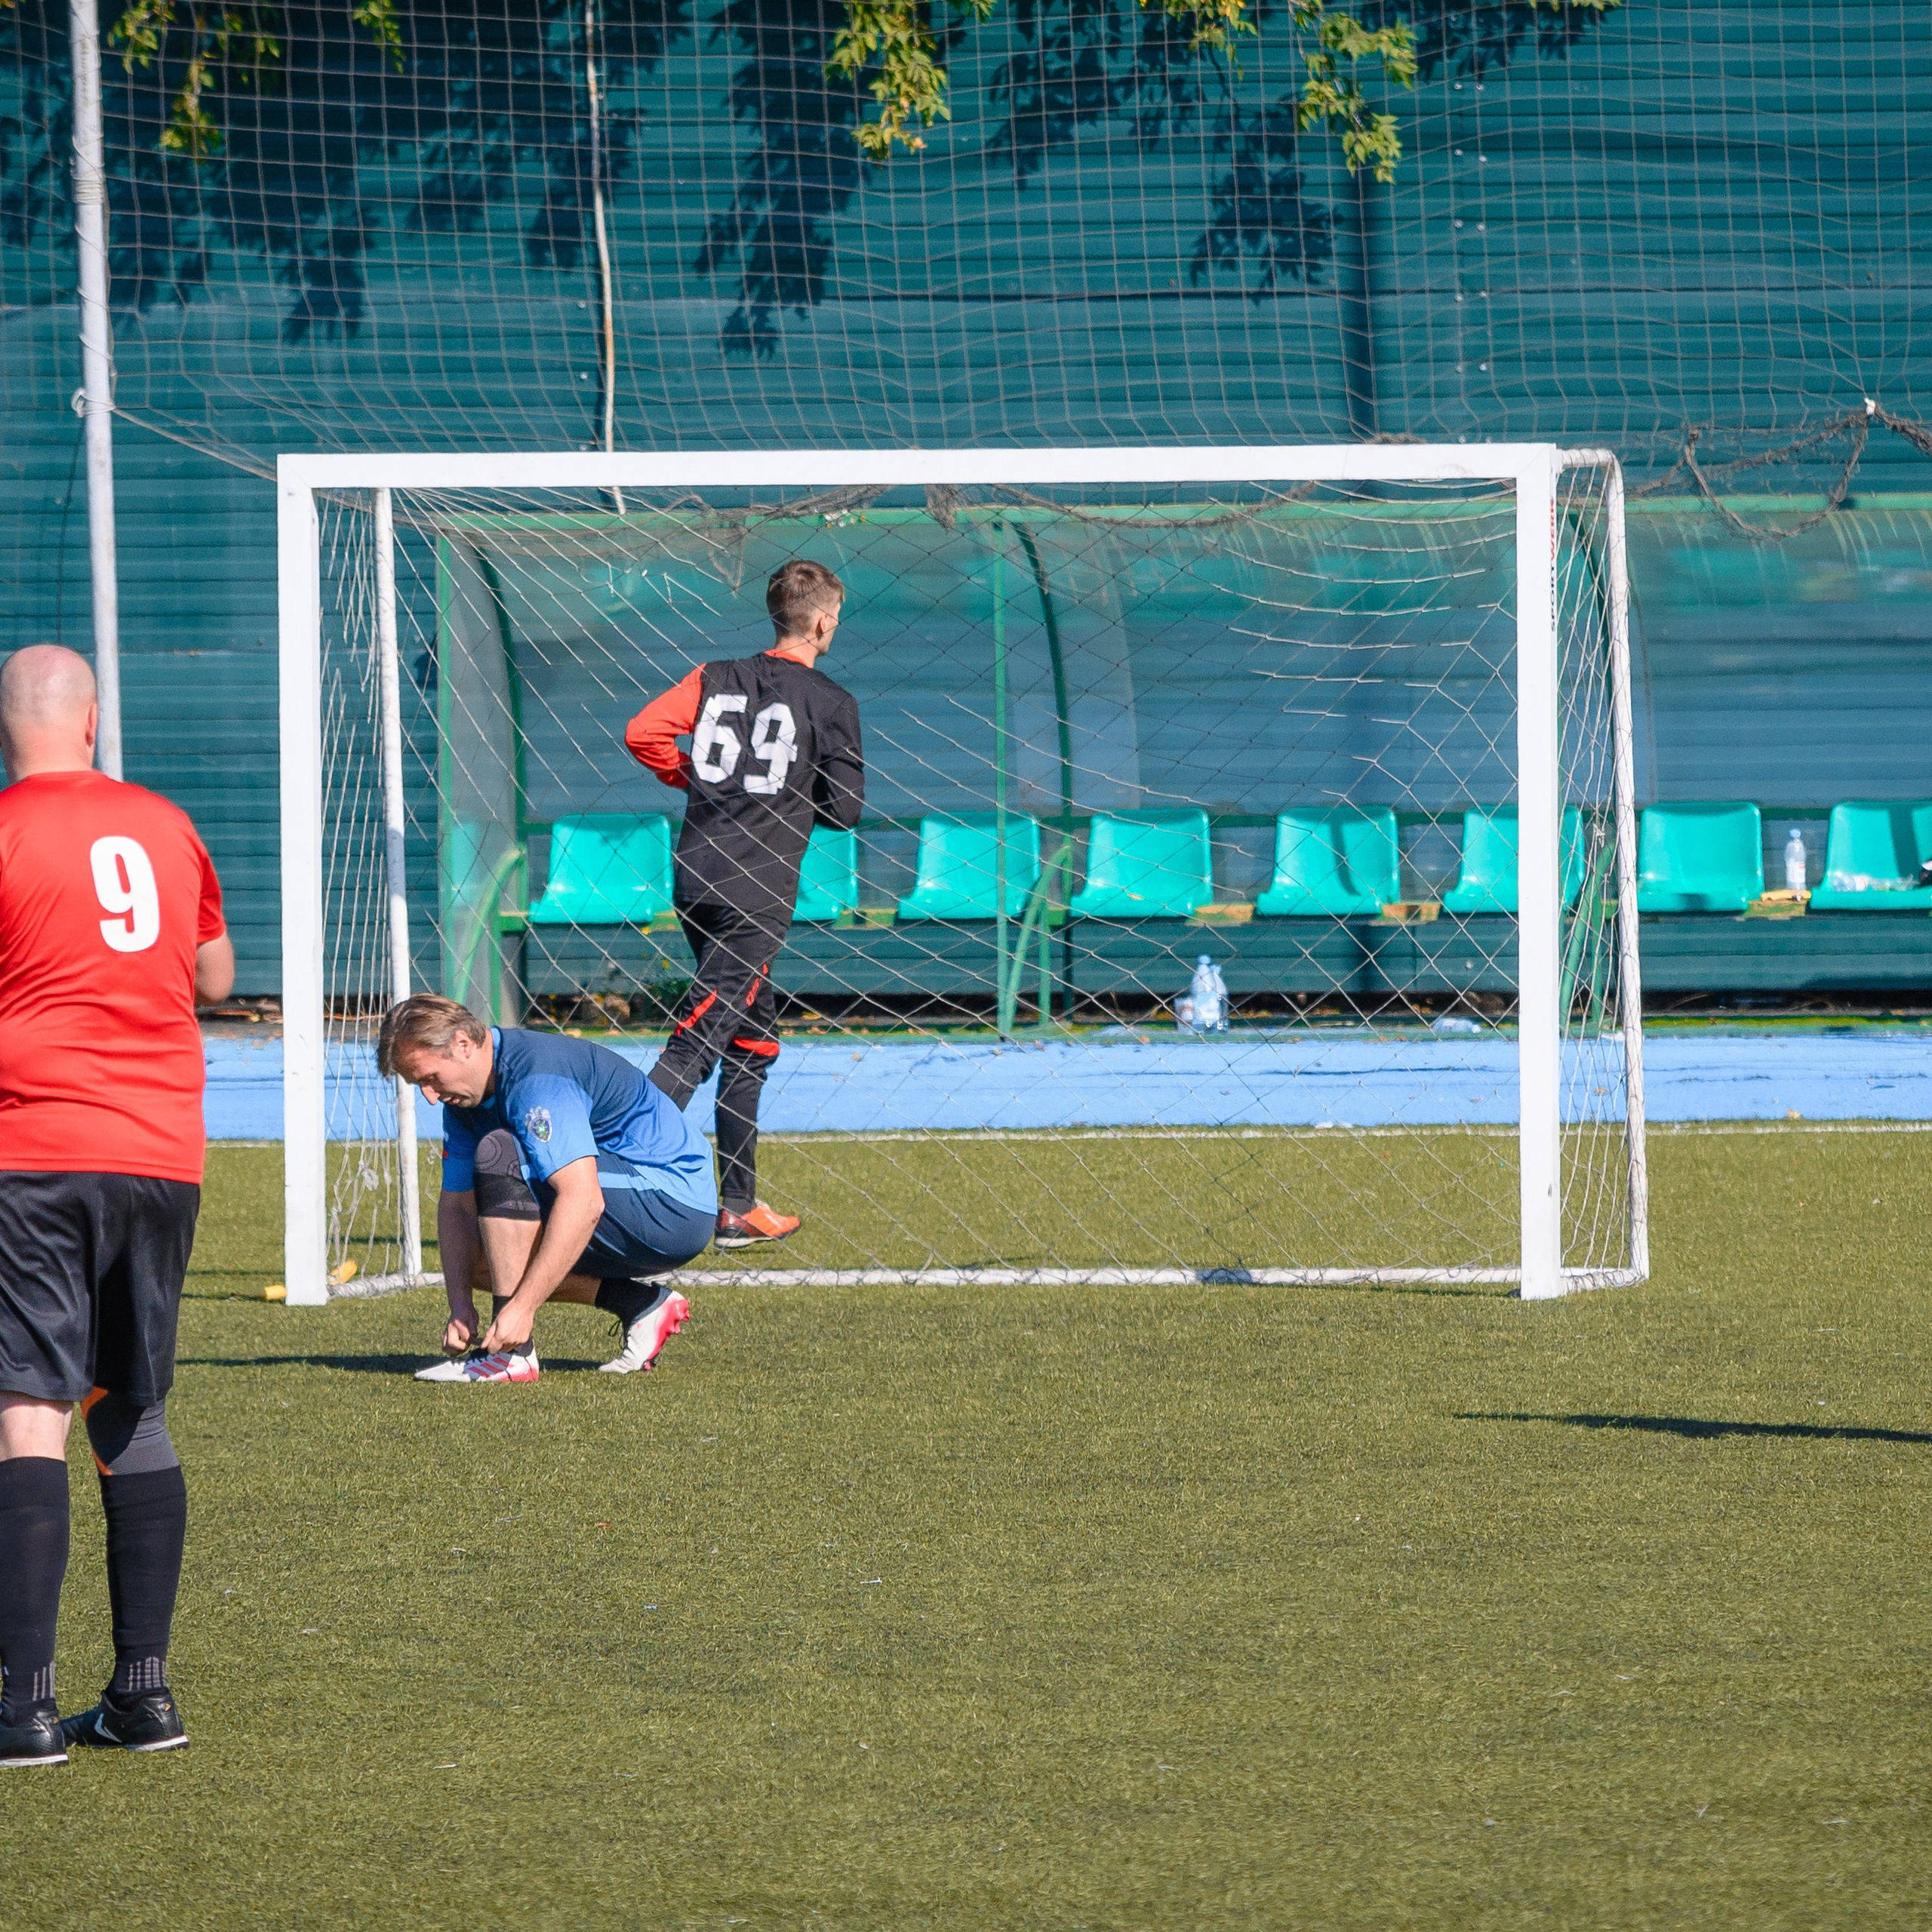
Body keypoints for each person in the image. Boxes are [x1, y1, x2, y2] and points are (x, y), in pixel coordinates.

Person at [0, 645, 232, 1770]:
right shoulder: (167, 823)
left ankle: (23, 1710)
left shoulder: (5, 829)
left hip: (33, 1148)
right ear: (91, 720)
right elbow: (216, 976)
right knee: (128, 1408)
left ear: (11, 728)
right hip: (161, 1154)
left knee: (26, 1409)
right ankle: (143, 1695)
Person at [625, 558, 863, 1246]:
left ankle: (737, 1205)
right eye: (836, 615)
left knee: (751, 1039)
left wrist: (703, 781)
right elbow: (845, 812)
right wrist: (786, 793)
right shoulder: (831, 702)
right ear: (823, 620)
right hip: (756, 890)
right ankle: (599, 1173)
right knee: (699, 1035)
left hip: (696, 874)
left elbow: (644, 731)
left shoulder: (713, 677)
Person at [378, 994, 717, 1386]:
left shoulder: (536, 1080)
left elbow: (585, 1199)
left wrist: (522, 1307)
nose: (430, 1096)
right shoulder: (464, 1103)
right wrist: (460, 1305)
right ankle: (639, 1305)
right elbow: (456, 1206)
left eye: (431, 1078)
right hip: (632, 1205)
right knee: (476, 1258)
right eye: (418, 1084)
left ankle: (510, 1357)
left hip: (672, 1204)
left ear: (463, 1044)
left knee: (500, 1155)